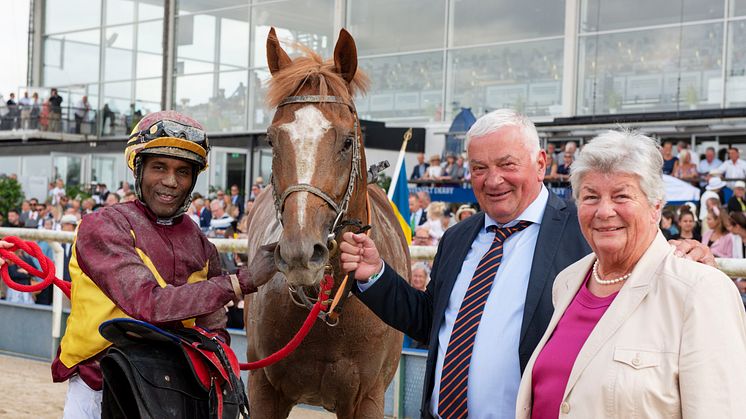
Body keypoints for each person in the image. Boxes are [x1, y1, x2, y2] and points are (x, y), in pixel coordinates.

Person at [339, 110, 713, 419]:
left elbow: (644, 253)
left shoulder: (586, 229)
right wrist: (376, 276)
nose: (493, 180)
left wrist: (685, 256)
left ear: (540, 163)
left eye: (506, 164)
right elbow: (430, 322)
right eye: (480, 167)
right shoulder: (457, 237)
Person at [49, 111, 278, 419]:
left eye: (183, 171)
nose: (171, 181)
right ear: (139, 169)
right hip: (100, 382)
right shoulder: (103, 226)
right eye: (159, 167)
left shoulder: (199, 242)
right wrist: (240, 281)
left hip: (173, 386)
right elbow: (147, 304)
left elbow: (213, 325)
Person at [516, 130, 745, 418]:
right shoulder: (567, 281)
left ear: (656, 207)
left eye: (621, 195)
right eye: (590, 196)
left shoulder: (699, 290)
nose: (604, 210)